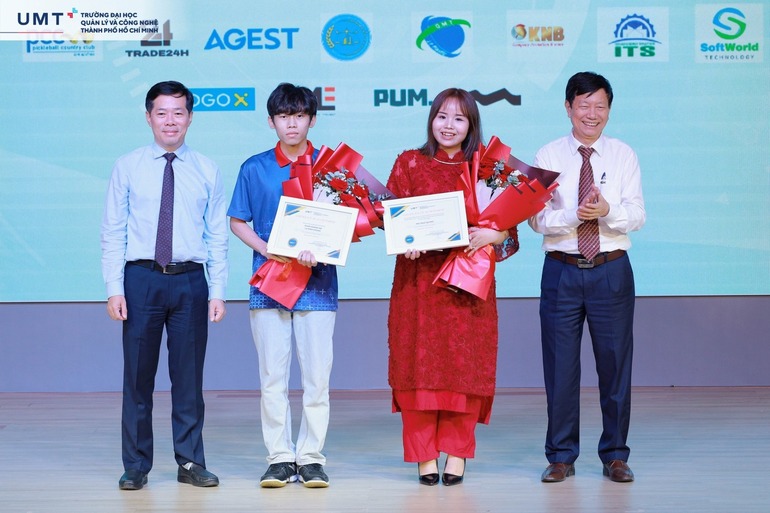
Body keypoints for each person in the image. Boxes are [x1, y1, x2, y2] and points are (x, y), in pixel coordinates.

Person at [386, 88, 519, 486]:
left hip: (467, 288)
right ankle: (424, 455)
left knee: (465, 369)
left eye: (459, 119)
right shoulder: (409, 162)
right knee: (417, 368)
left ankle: (458, 452)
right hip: (418, 286)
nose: (448, 126)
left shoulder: (488, 169)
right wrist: (405, 242)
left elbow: (509, 232)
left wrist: (493, 235)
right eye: (442, 116)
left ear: (471, 125)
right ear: (431, 120)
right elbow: (392, 219)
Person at [101, 80, 229, 490]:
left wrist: (217, 290)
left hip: (190, 281)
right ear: (148, 117)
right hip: (140, 279)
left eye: (178, 112)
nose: (170, 121)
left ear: (190, 118)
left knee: (188, 378)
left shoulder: (207, 169)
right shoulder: (128, 166)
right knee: (138, 377)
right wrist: (114, 287)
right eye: (162, 113)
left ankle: (190, 462)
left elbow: (217, 236)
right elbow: (113, 230)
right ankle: (136, 465)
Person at [528, 71, 645, 483]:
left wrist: (607, 211)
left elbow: (638, 215)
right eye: (584, 105)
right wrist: (574, 215)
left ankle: (615, 455)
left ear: (609, 110)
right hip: (561, 270)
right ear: (568, 107)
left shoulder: (623, 154)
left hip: (611, 270)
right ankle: (561, 456)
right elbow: (536, 220)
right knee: (560, 367)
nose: (592, 114)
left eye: (600, 106)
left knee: (615, 366)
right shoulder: (548, 155)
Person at [228, 83, 334, 488]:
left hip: (318, 283)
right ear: (271, 121)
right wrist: (266, 249)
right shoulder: (254, 167)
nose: (292, 124)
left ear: (312, 119)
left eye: (300, 115)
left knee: (317, 378)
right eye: (284, 116)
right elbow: (238, 220)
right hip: (269, 282)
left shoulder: (331, 167)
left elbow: (349, 220)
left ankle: (311, 458)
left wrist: (323, 246)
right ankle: (279, 457)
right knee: (272, 376)